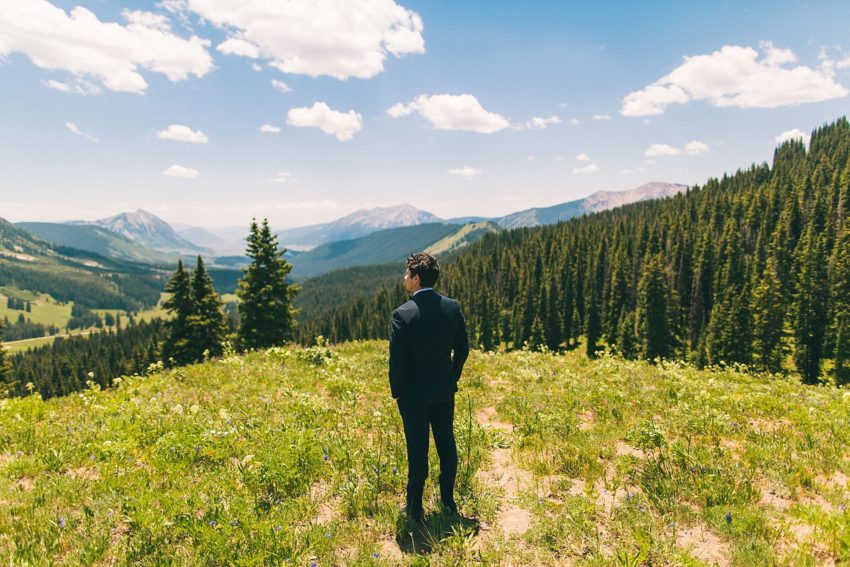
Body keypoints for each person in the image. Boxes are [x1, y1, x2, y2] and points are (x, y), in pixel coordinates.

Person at [389, 252, 469, 523]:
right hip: (444, 392)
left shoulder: (403, 314)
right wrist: (452, 378)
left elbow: (397, 361)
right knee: (447, 446)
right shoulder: (452, 307)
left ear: (416, 278)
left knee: (417, 451)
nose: (404, 278)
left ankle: (415, 508)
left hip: (413, 397)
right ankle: (448, 501)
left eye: (407, 273)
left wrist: (397, 391)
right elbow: (463, 349)